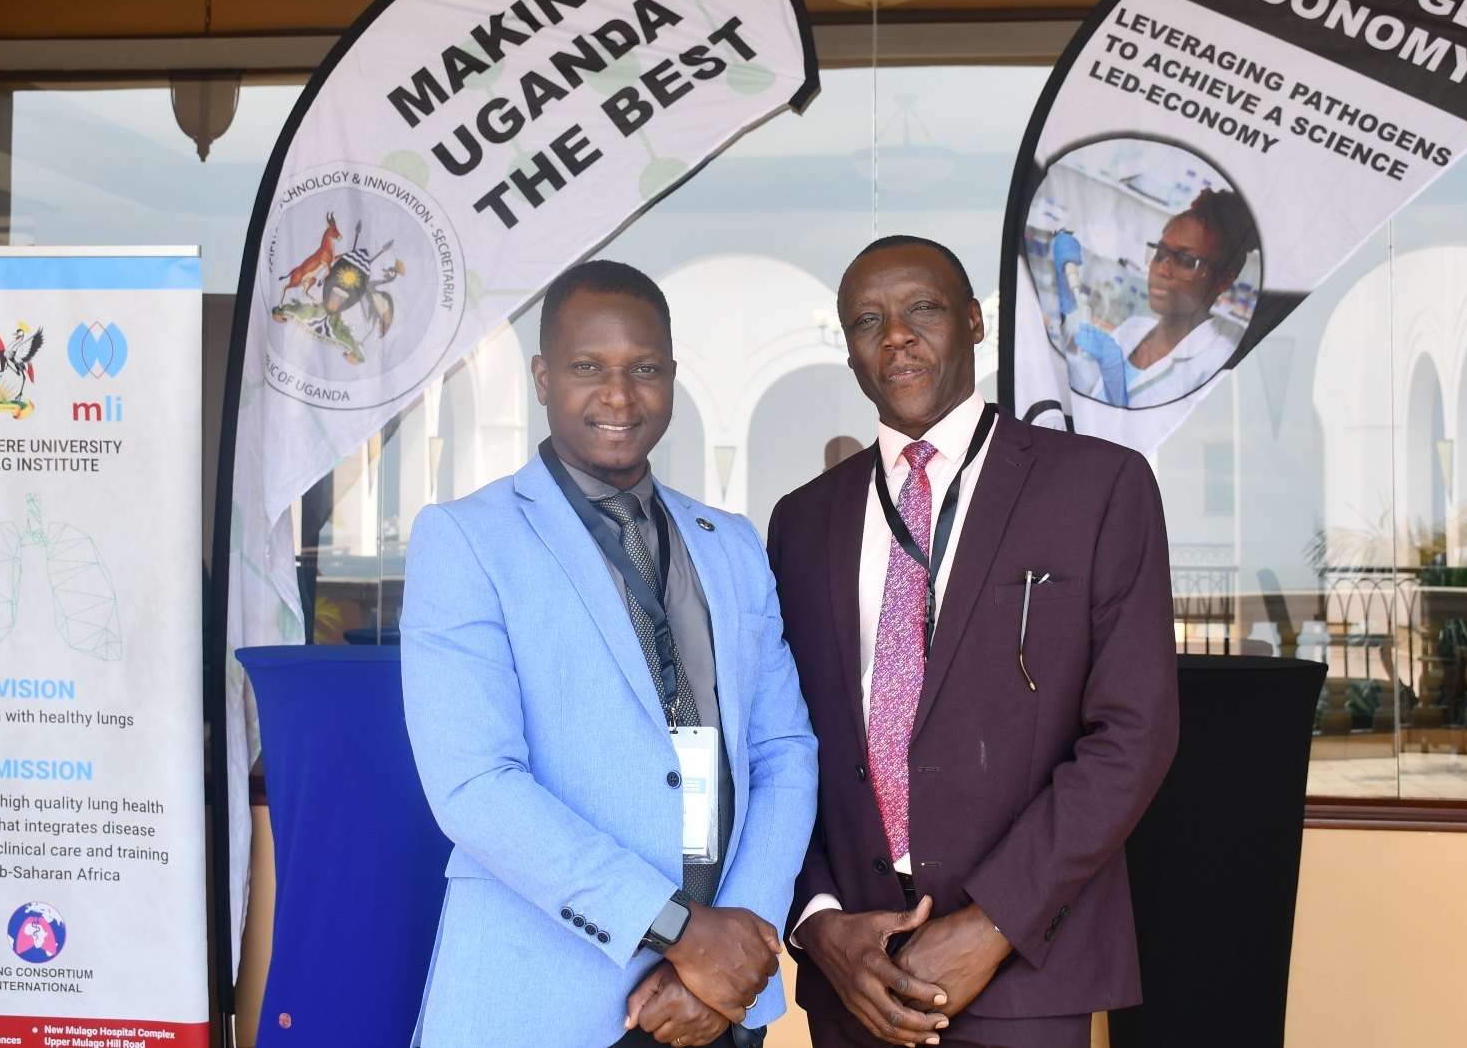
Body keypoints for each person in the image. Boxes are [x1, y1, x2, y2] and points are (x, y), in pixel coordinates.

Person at [768, 236, 1177, 1048]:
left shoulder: (1097, 486)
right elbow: (778, 741)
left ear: (974, 322)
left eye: (921, 308)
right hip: (854, 977)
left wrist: (990, 925)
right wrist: (818, 921)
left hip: (1023, 967)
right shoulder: (802, 519)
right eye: (866, 321)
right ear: (848, 351)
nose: (895, 335)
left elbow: (1133, 734)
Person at [401, 259, 819, 1048]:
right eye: (588, 366)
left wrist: (733, 947)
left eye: (644, 369)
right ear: (542, 378)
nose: (620, 395)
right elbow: (475, 786)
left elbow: (784, 751)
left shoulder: (730, 543)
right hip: (541, 1001)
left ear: (671, 378)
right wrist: (678, 930)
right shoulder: (465, 540)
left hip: (716, 1005)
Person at [1070, 187, 1257, 409]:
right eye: (1160, 254)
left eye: (1186, 261)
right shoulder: (1133, 329)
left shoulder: (1219, 363)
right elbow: (1087, 401)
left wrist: (1114, 378)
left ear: (1223, 280)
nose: (1162, 270)